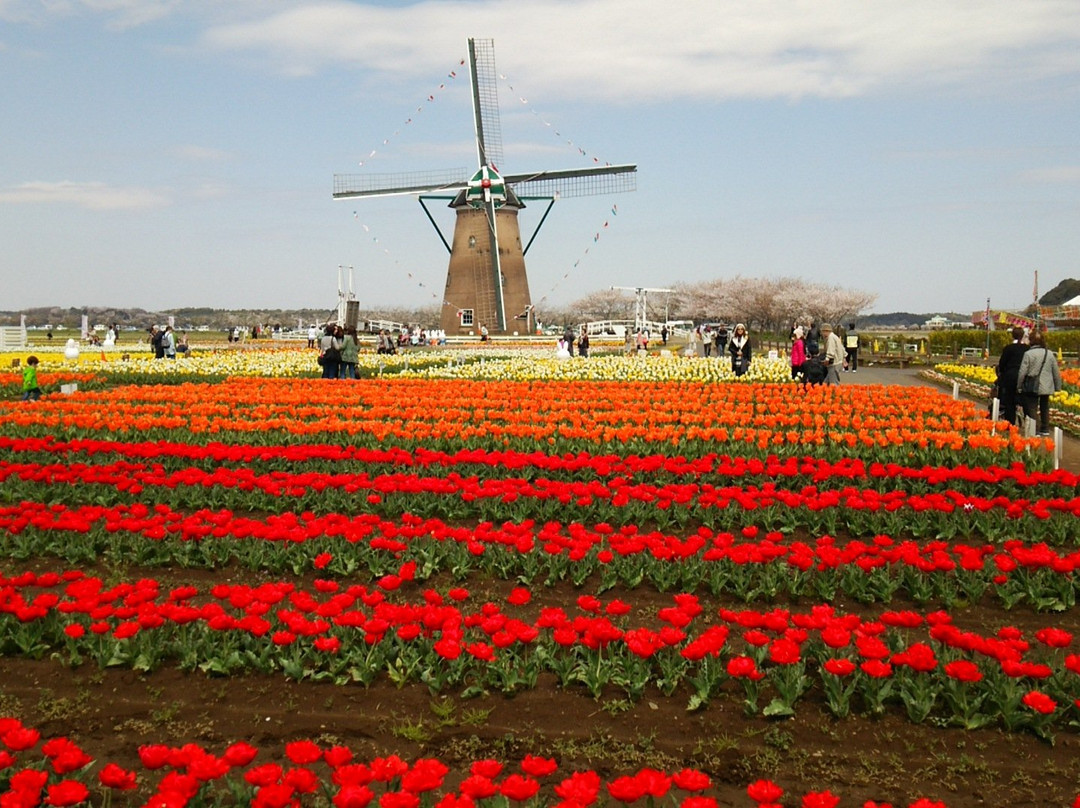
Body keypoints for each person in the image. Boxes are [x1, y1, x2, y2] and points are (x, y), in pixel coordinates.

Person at [1016, 331, 1062, 436]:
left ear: (1031, 341)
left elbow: (1022, 371)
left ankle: (1035, 429)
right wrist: (1058, 386)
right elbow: (1056, 371)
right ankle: (1045, 429)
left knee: (1032, 407)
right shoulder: (1049, 354)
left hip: (1032, 385)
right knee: (1044, 406)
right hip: (1046, 385)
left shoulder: (1028, 354)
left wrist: (1019, 386)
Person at [995, 326, 1027, 427]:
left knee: (1009, 400)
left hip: (1010, 376)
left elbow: (1002, 364)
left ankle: (1010, 423)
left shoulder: (1008, 348)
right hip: (1024, 376)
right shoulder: (1027, 348)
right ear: (1022, 336)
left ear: (1012, 335)